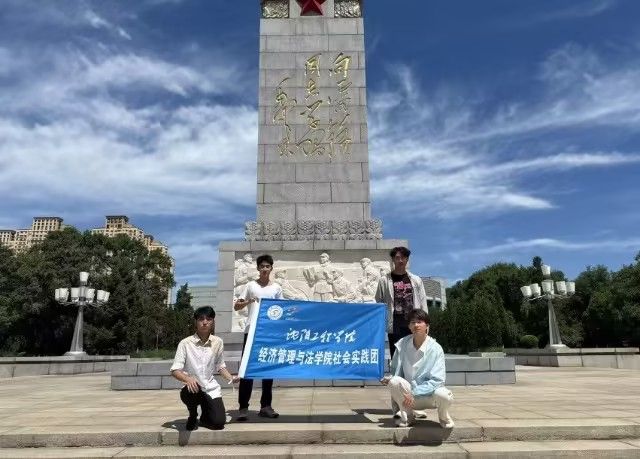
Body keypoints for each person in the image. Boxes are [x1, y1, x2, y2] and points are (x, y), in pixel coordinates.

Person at [381, 309, 454, 428]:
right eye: (412, 322)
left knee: (444, 395)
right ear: (409, 326)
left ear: (427, 326)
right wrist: (389, 379)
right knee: (394, 381)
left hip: (429, 396)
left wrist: (414, 392)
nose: (416, 325)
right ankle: (408, 415)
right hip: (408, 398)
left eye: (419, 322)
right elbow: (396, 372)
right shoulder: (402, 344)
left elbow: (438, 380)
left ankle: (444, 417)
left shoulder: (436, 349)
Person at [170, 306, 239, 431]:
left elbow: (220, 366)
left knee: (218, 423)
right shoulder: (185, 343)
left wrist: (231, 378)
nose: (205, 322)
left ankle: (205, 416)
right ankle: (193, 414)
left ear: (213, 322)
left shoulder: (218, 342)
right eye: (201, 319)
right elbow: (175, 370)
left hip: (210, 388)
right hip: (193, 389)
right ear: (196, 322)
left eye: (209, 319)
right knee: (191, 389)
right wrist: (187, 379)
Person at [234, 254, 284, 421]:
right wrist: (249, 301)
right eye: (262, 266)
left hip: (269, 333)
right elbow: (236, 306)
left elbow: (281, 309)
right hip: (252, 332)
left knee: (268, 370)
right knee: (247, 370)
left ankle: (266, 406)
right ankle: (243, 407)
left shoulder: (276, 288)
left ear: (271, 268)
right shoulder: (250, 285)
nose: (264, 269)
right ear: (257, 268)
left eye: (267, 266)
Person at [375, 246, 429, 358]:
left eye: (403, 257)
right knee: (396, 355)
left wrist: (426, 323)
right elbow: (379, 301)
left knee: (415, 355)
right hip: (395, 324)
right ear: (393, 259)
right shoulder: (384, 280)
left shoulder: (416, 279)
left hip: (414, 322)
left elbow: (423, 302)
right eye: (397, 258)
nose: (400, 260)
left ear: (407, 259)